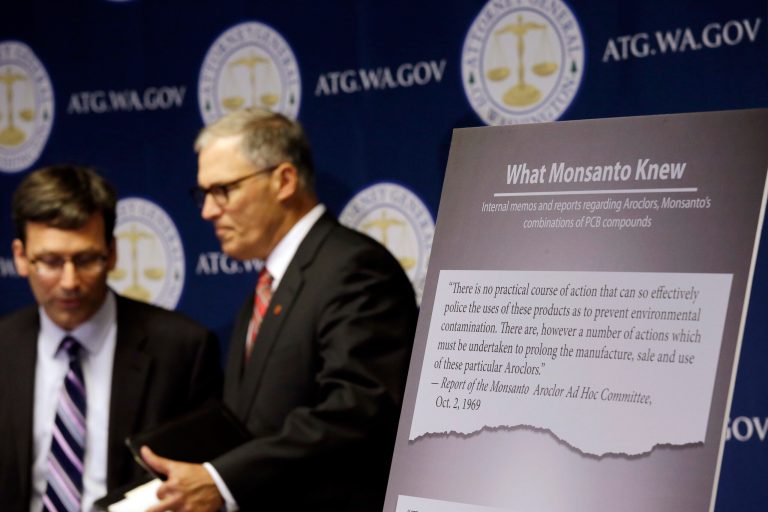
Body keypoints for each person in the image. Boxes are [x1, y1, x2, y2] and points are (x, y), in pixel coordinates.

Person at [141, 108, 418, 511]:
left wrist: (222, 479)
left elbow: (359, 408)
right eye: (204, 194)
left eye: (223, 190)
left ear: (284, 180)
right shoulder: (271, 283)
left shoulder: (353, 268)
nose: (208, 211)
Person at [0, 165, 223, 511]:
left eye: (87, 259)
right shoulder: (4, 347)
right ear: (20, 257)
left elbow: (200, 489)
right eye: (50, 261)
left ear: (113, 252)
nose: (70, 281)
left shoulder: (181, 351)